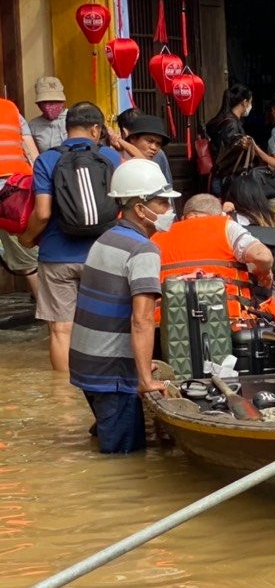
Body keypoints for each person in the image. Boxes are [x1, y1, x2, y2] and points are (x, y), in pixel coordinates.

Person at [69, 159, 179, 454]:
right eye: (162, 202)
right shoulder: (144, 249)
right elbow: (141, 320)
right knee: (125, 460)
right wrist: (144, 379)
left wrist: (140, 362)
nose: (168, 210)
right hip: (111, 371)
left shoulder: (107, 237)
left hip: (87, 363)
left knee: (110, 440)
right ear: (141, 210)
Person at [23, 102, 123, 372]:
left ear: (67, 129)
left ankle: (66, 402)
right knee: (106, 324)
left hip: (57, 256)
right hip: (103, 254)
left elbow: (42, 213)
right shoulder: (112, 158)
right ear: (95, 129)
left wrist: (27, 239)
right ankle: (104, 387)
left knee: (61, 330)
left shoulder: (47, 160)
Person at [154, 193, 275, 327]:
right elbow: (263, 256)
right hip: (228, 324)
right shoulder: (226, 226)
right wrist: (263, 274)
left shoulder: (157, 237)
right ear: (218, 215)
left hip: (170, 327)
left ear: (184, 217)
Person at [0, 95, 40, 302]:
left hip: (10, 190)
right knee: (27, 259)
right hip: (15, 191)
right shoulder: (10, 109)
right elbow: (32, 152)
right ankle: (49, 313)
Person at [207, 85, 275, 193]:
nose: (250, 105)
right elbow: (231, 149)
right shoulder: (231, 124)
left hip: (223, 179)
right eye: (250, 102)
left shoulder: (229, 120)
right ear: (244, 102)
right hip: (228, 181)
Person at [110, 114, 173, 184]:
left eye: (158, 144)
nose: (154, 148)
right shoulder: (114, 157)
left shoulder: (159, 155)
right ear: (133, 138)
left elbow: (167, 186)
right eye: (149, 141)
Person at [28, 76, 68, 153]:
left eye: (55, 101)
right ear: (39, 104)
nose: (49, 105)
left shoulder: (73, 118)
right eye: (45, 102)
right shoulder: (34, 125)